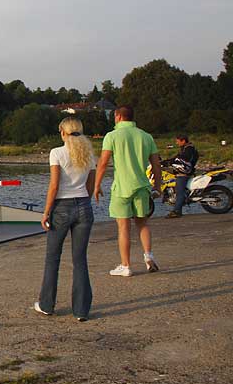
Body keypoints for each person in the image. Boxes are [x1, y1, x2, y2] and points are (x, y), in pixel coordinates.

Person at [35, 117, 96, 321]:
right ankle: (81, 310)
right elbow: (91, 185)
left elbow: (54, 185)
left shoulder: (57, 153)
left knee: (53, 258)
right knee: (80, 259)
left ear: (62, 131)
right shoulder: (88, 153)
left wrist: (46, 212)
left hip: (62, 207)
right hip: (84, 206)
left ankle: (47, 304)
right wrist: (84, 202)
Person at [93, 106, 162, 277]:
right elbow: (156, 164)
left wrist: (97, 185)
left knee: (123, 227)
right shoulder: (146, 136)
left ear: (117, 117)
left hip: (122, 187)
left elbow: (103, 163)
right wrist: (158, 186)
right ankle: (148, 256)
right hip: (142, 186)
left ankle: (126, 266)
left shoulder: (112, 136)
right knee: (142, 223)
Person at [164, 134, 198, 218]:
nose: (176, 143)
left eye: (178, 141)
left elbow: (181, 159)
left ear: (183, 141)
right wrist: (165, 162)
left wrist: (171, 162)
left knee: (179, 192)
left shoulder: (189, 149)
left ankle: (177, 211)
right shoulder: (185, 148)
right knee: (178, 190)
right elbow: (176, 158)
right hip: (183, 171)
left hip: (184, 173)